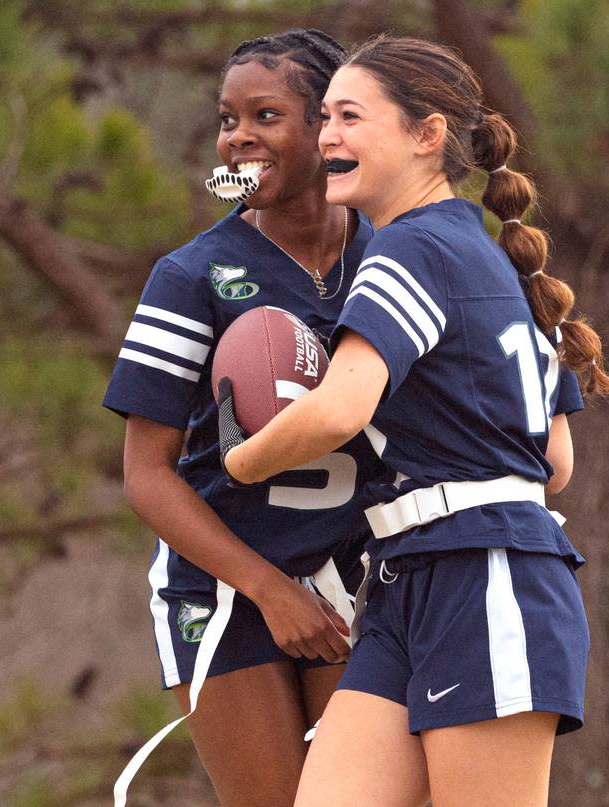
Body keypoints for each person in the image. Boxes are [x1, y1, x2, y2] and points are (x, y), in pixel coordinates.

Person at [222, 35, 609, 807]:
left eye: (349, 116)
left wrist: (239, 461)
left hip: (486, 575)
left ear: (427, 134)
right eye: (324, 118)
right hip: (413, 578)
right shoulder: (493, 260)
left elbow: (341, 407)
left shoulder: (409, 249)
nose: (327, 135)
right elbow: (556, 458)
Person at [102, 29, 391, 807]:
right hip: (225, 591)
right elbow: (145, 474)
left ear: (326, 128)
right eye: (227, 119)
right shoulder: (192, 275)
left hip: (355, 584)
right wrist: (269, 589)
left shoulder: (395, 258)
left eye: (265, 115)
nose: (238, 137)